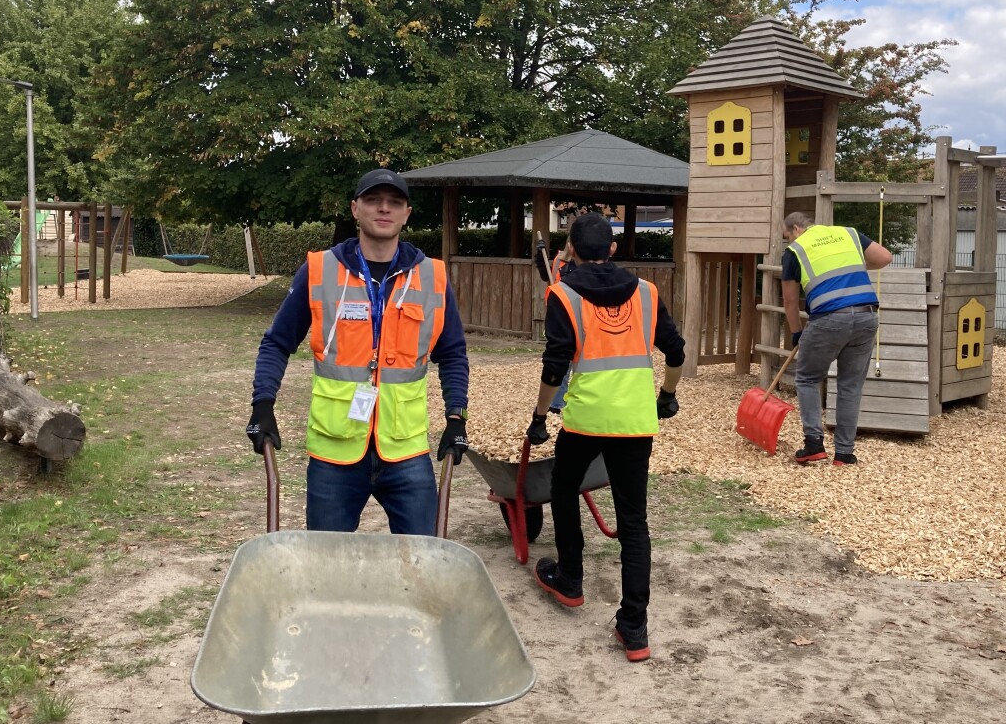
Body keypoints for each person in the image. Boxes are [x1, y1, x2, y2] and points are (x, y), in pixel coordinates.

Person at [245, 168, 470, 534]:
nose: (384, 209)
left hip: (406, 450)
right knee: (327, 565)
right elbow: (277, 342)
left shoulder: (432, 277)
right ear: (355, 208)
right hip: (334, 451)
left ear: (407, 214)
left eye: (395, 203)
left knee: (421, 564)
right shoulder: (319, 270)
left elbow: (454, 354)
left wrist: (456, 417)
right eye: (373, 200)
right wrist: (262, 404)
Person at [525, 212, 685, 663]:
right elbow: (676, 350)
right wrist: (667, 395)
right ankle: (634, 628)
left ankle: (570, 579)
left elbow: (555, 365)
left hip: (584, 421)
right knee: (634, 522)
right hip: (635, 424)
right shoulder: (647, 293)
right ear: (612, 249)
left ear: (571, 250)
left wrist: (540, 417)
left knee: (563, 488)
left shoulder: (563, 293)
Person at [779, 211, 892, 466]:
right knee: (850, 385)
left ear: (795, 229)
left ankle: (814, 445)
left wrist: (797, 331)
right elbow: (885, 257)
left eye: (787, 236)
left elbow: (788, 299)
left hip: (829, 318)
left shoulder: (795, 250)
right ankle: (844, 454)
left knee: (808, 378)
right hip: (866, 316)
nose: (788, 240)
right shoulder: (847, 234)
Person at [533, 236, 576, 413]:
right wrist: (541, 259)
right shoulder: (559, 260)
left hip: (577, 314)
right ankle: (557, 402)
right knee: (562, 360)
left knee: (578, 362)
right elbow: (548, 276)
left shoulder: (584, 264)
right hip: (560, 312)